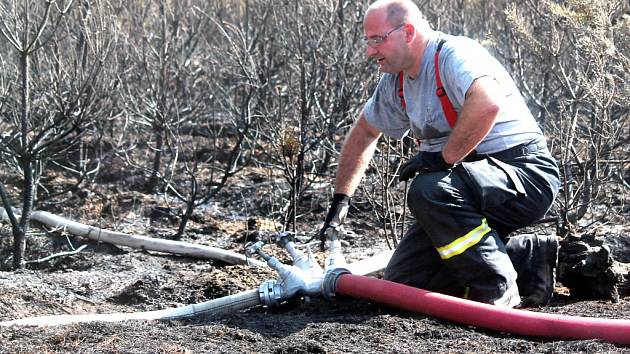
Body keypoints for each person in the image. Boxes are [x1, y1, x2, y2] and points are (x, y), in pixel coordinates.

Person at [320, 0, 561, 307]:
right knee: (407, 283)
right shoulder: (396, 80)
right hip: (467, 186)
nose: (370, 51)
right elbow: (365, 132)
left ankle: (497, 289)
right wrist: (341, 199)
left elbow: (487, 103)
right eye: (367, 41)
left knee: (429, 190)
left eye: (377, 40)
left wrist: (442, 158)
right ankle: (532, 259)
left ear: (407, 32)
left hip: (525, 174)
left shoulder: (454, 54)